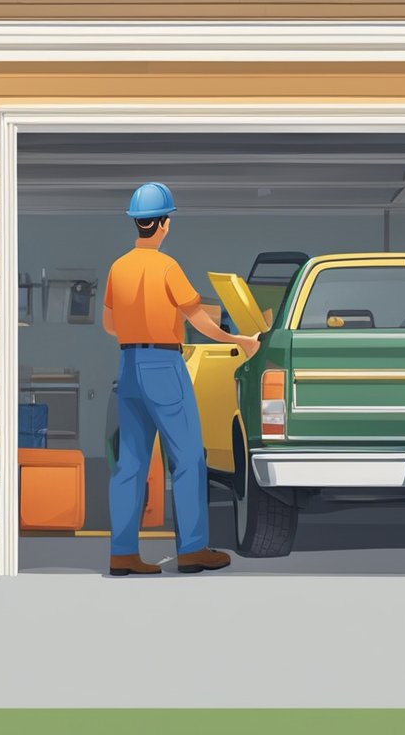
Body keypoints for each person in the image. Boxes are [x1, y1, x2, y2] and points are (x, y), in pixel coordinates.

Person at [102, 182, 260, 576]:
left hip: (128, 366)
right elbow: (200, 320)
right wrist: (239, 340)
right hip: (163, 366)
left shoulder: (118, 267)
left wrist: (137, 325)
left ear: (137, 223)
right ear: (162, 224)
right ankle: (191, 550)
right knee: (188, 457)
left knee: (131, 463)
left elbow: (108, 324)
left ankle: (122, 554)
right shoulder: (167, 267)